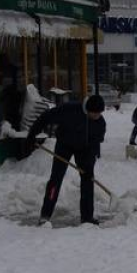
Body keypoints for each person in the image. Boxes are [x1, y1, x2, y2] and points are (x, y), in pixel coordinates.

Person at [26, 94, 107, 226]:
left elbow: (95, 142)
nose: (97, 116)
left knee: (88, 179)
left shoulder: (100, 123)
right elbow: (46, 117)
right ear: (88, 109)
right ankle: (45, 215)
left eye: (100, 113)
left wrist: (90, 161)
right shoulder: (69, 110)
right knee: (56, 179)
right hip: (64, 146)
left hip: (84, 150)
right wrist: (32, 134)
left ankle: (87, 217)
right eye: (95, 113)